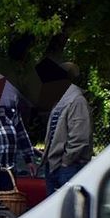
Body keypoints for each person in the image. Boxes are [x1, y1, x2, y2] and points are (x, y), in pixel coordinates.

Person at [43, 63, 92, 192]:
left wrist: (66, 162)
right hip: (55, 166)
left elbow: (79, 138)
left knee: (68, 210)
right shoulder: (61, 100)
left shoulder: (77, 100)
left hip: (69, 168)